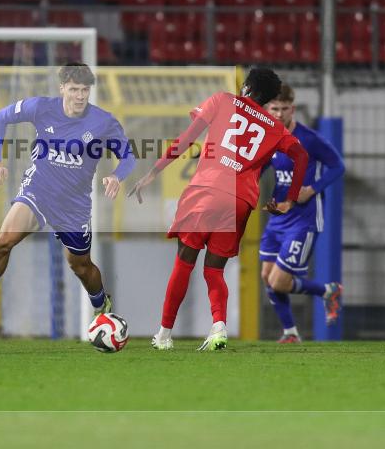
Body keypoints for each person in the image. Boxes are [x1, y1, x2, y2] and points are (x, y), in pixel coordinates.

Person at [127, 67, 308, 351]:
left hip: (205, 191)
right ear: (268, 99)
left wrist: (152, 173)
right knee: (214, 270)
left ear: (246, 87)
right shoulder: (275, 127)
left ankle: (163, 335)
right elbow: (301, 155)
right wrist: (290, 199)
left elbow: (185, 139)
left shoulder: (223, 100)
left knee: (184, 263)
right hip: (239, 201)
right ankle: (219, 328)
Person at [0, 63, 135, 320]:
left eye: (84, 90)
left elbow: (128, 157)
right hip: (38, 190)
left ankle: (102, 305)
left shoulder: (103, 122)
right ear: (62, 89)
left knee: (80, 265)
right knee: (3, 241)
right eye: (74, 89)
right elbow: (1, 117)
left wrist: (116, 175)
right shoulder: (41, 107)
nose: (80, 96)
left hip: (74, 205)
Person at [261, 85, 345, 344]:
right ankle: (290, 333)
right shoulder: (269, 138)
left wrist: (312, 189)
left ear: (292, 109)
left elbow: (337, 165)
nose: (279, 113)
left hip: (304, 219)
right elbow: (259, 167)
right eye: (274, 108)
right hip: (278, 217)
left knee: (278, 281)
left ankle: (327, 291)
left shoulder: (309, 139)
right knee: (267, 276)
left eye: (284, 109)